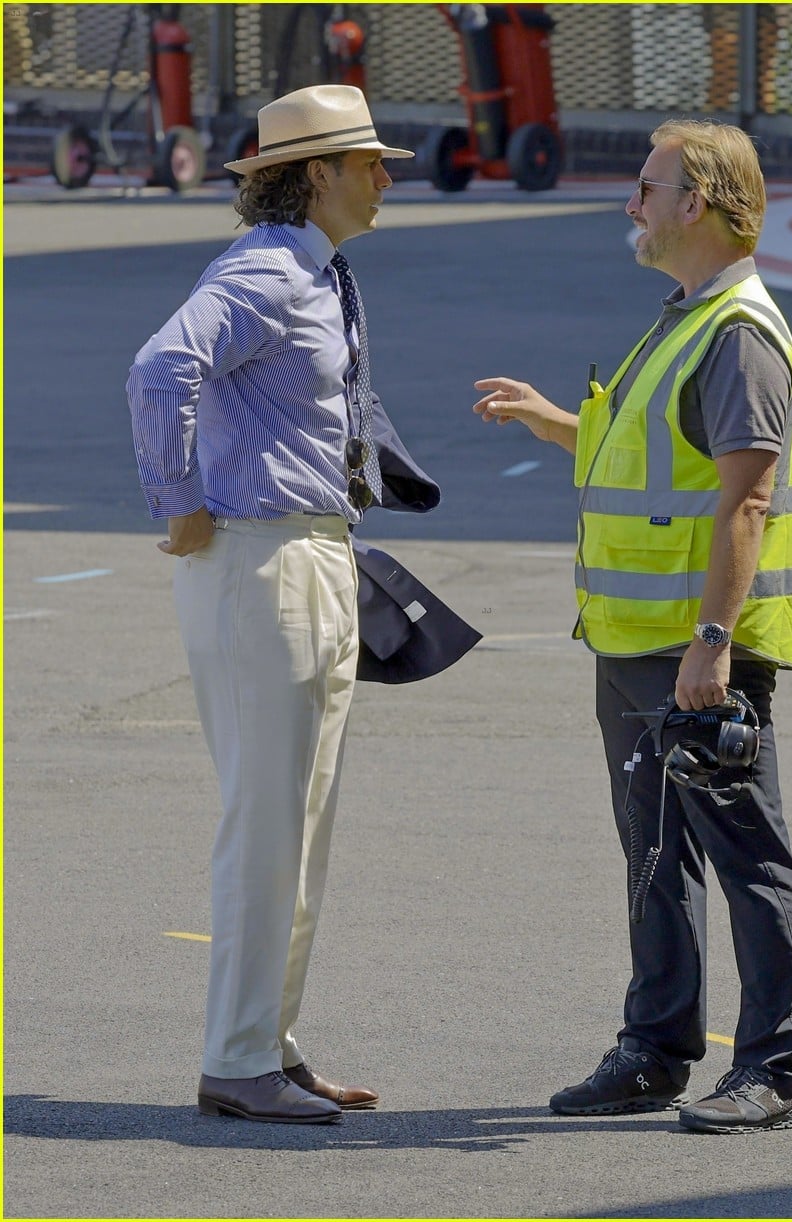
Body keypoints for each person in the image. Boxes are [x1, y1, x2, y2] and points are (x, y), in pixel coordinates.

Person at [473, 119, 792, 1134]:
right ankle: (655, 1049)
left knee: (748, 856)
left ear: (695, 202)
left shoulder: (737, 332)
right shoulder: (682, 319)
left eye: (646, 186)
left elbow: (744, 500)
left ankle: (772, 1070)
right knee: (655, 856)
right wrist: (558, 424)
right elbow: (661, 454)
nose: (633, 202)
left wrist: (713, 640)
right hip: (630, 643)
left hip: (693, 650)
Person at [127, 85, 415, 1124]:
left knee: (300, 822)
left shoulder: (313, 272)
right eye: (373, 162)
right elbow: (160, 367)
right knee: (266, 821)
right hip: (259, 558)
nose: (388, 178)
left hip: (307, 554)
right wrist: (181, 503)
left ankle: (267, 1046)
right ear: (318, 172)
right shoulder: (262, 270)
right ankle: (239, 1056)